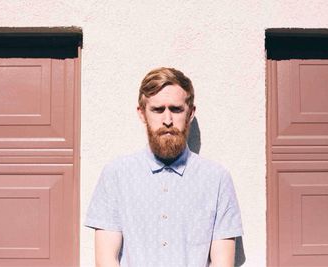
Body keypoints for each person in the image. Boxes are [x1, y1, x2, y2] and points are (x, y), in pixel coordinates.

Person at [84, 67, 243, 267]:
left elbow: (222, 262)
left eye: (176, 109)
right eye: (158, 110)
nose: (167, 120)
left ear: (190, 113)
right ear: (142, 113)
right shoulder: (116, 175)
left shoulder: (217, 179)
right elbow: (107, 259)